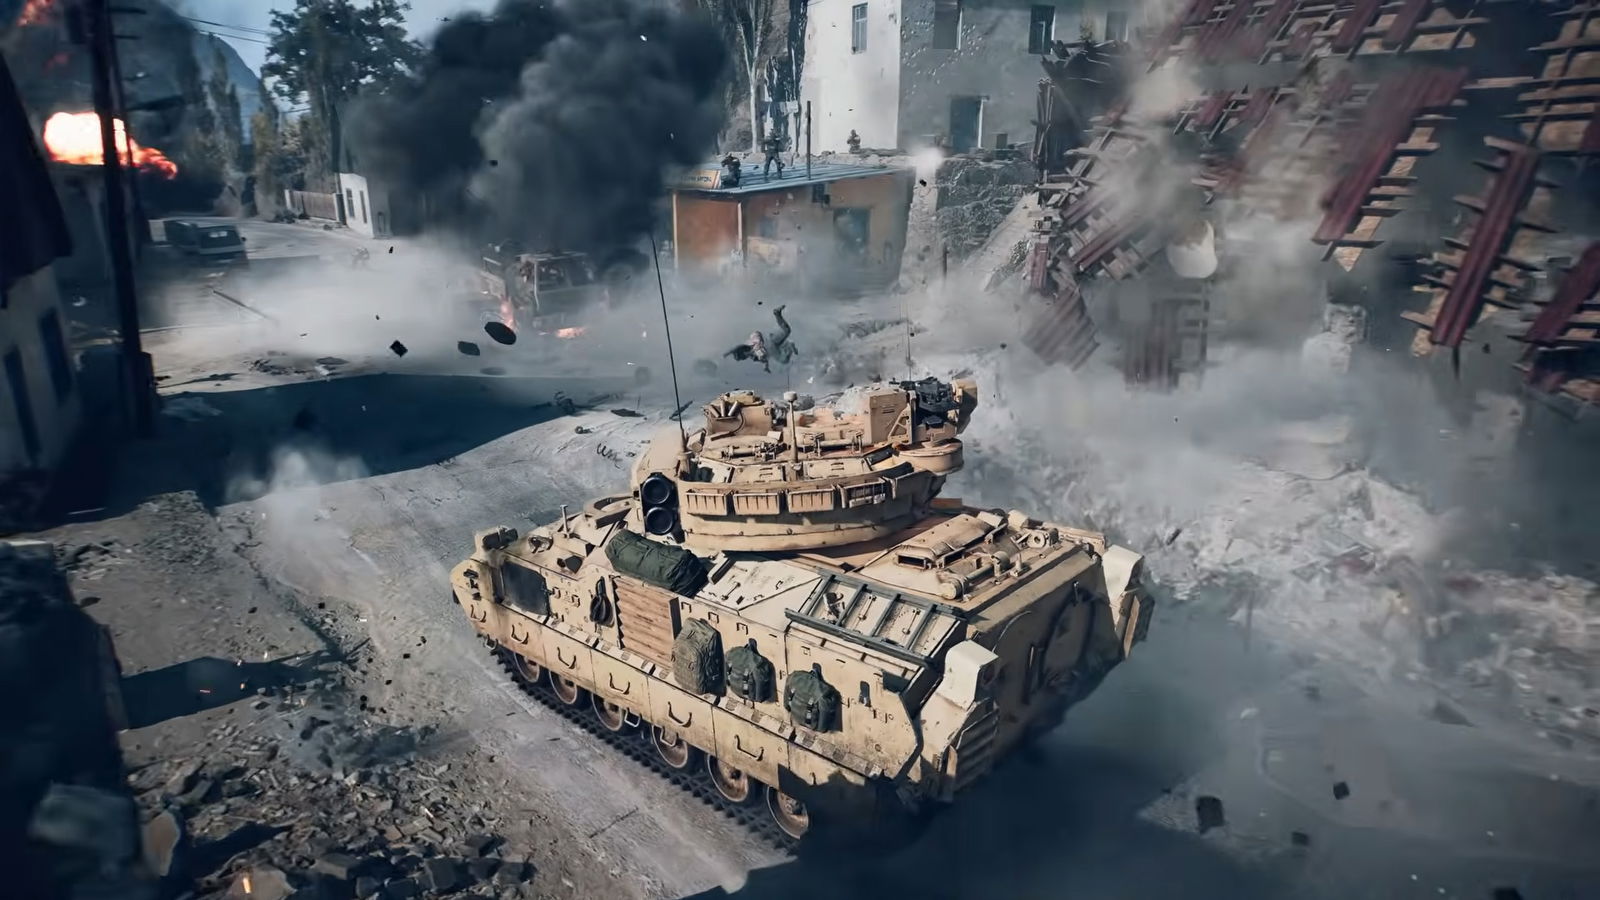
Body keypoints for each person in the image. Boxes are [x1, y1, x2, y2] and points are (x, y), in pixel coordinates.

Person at [723, 305, 795, 373]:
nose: (744, 358)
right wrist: (766, 367)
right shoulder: (754, 357)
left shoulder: (748, 347)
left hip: (769, 344)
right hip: (771, 341)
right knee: (786, 331)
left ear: (743, 354)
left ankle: (789, 345)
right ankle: (777, 315)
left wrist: (727, 353)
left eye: (742, 357)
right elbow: (764, 360)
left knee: (783, 359)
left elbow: (737, 347)